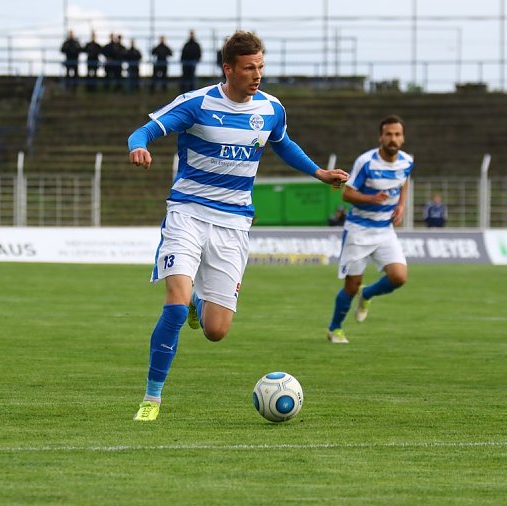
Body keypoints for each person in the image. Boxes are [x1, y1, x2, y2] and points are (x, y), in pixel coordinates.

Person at [127, 31, 349, 421]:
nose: (257, 74)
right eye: (249, 68)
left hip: (234, 225)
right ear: (228, 69)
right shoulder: (197, 104)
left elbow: (282, 142)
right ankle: (152, 398)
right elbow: (143, 130)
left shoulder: (271, 108)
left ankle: (200, 302)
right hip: (188, 214)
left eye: (261, 66)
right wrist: (138, 146)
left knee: (216, 330)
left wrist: (318, 172)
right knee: (175, 309)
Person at [326, 115, 413, 344]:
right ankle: (335, 328)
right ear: (380, 137)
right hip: (359, 230)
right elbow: (347, 193)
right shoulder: (366, 162)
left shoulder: (406, 161)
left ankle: (368, 294)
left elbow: (405, 181)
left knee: (399, 276)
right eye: (388, 134)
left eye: (397, 134)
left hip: (385, 230)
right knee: (351, 286)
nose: (393, 139)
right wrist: (370, 198)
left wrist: (402, 205)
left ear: (402, 138)